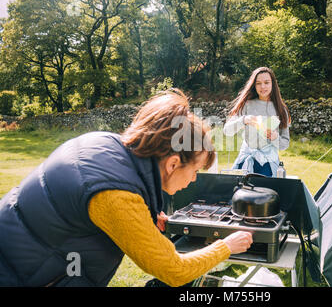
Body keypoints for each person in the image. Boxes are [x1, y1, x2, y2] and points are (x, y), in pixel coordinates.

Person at [0, 89, 253, 287]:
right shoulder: (118, 197)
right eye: (195, 171)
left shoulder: (105, 141)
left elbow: (85, 205)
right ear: (173, 164)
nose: (194, 180)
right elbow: (173, 270)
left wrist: (144, 214)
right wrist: (226, 246)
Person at [223, 67, 291, 177]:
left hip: (268, 164)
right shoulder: (246, 105)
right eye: (258, 83)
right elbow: (227, 131)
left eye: (266, 82)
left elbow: (285, 144)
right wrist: (244, 120)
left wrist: (275, 138)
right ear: (254, 85)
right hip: (245, 161)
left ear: (273, 84)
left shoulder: (281, 110)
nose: (262, 86)